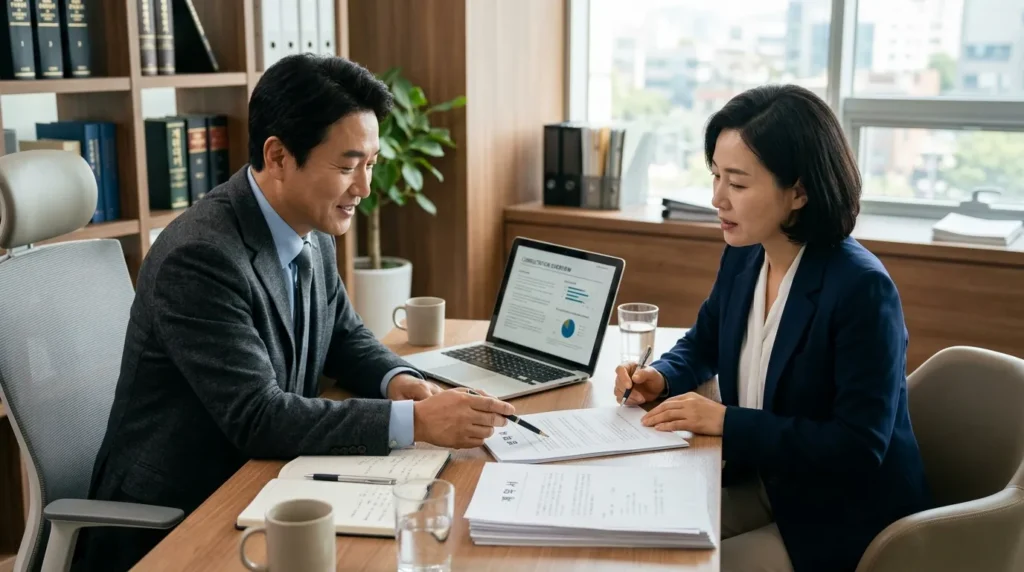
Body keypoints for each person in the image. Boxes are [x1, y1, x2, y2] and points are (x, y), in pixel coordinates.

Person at [74, 54, 514, 571]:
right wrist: (415, 421)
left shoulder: (308, 223)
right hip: (183, 517)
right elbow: (258, 416)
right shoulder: (201, 257)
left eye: (371, 164)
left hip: (267, 481)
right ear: (279, 156)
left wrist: (398, 380)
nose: (365, 188)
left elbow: (344, 333)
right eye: (348, 166)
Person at [613, 85, 933, 572]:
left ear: (799, 191)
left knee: (668, 565)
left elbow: (858, 447)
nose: (717, 198)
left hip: (839, 517)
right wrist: (661, 376)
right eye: (716, 176)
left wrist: (725, 421)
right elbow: (703, 343)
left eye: (737, 184)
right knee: (629, 537)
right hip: (765, 481)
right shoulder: (745, 254)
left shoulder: (862, 291)